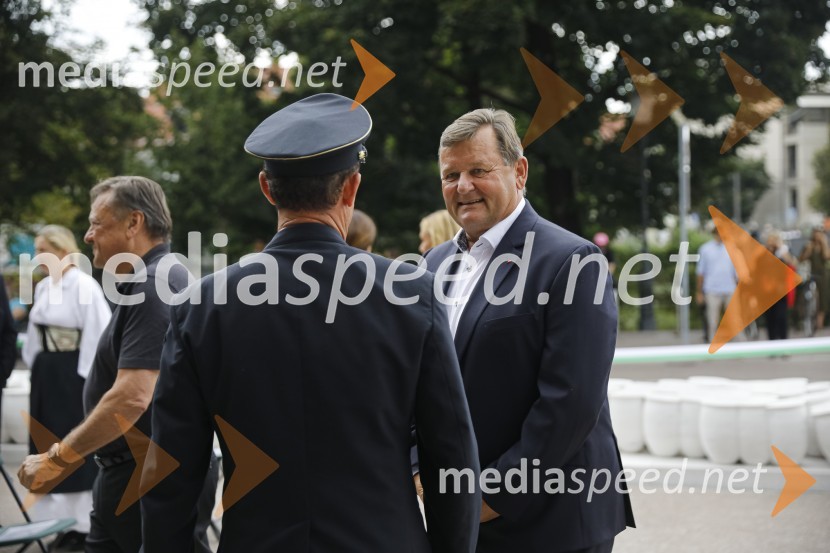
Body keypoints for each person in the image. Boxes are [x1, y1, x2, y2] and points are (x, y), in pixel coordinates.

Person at [141, 93, 481, 553]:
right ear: (352, 188)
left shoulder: (202, 305)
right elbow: (451, 457)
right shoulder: (411, 294)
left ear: (266, 188)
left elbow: (172, 471)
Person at [420, 108, 633, 552]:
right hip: (460, 515)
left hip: (552, 522)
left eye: (478, 170)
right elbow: (415, 380)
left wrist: (492, 496)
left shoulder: (572, 261)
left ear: (519, 172)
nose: (463, 186)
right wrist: (418, 468)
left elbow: (570, 403)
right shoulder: (432, 264)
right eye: (451, 175)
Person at [18, 177, 217, 553]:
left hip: (146, 475)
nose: (88, 235)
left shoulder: (153, 285)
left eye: (96, 223)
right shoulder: (154, 278)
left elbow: (132, 396)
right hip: (134, 471)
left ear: (133, 223)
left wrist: (57, 459)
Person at [21, 225, 112, 549]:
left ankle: (81, 525)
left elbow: (99, 333)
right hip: (46, 374)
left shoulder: (84, 286)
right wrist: (35, 366)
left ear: (61, 250)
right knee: (45, 439)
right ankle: (55, 521)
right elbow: (35, 337)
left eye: (42, 250)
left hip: (72, 375)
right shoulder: (45, 287)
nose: (37, 257)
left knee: (70, 443)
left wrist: (87, 380)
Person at [696, 222, 740, 343]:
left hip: (729, 288)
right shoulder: (705, 249)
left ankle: (738, 346)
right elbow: (700, 272)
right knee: (712, 321)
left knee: (734, 321)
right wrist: (699, 292)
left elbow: (736, 272)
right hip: (712, 289)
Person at [763, 232, 796, 340]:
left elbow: (792, 263)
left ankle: (783, 340)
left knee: (781, 317)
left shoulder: (782, 254)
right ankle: (772, 341)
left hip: (781, 291)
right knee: (770, 319)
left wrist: (780, 248)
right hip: (767, 292)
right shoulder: (764, 255)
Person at [799, 226, 830, 330]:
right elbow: (801, 259)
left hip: (824, 275)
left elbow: (826, 256)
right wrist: (809, 249)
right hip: (812, 274)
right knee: (809, 297)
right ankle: (808, 319)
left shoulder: (825, 245)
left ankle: (819, 323)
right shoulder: (809, 245)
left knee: (823, 299)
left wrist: (824, 243)